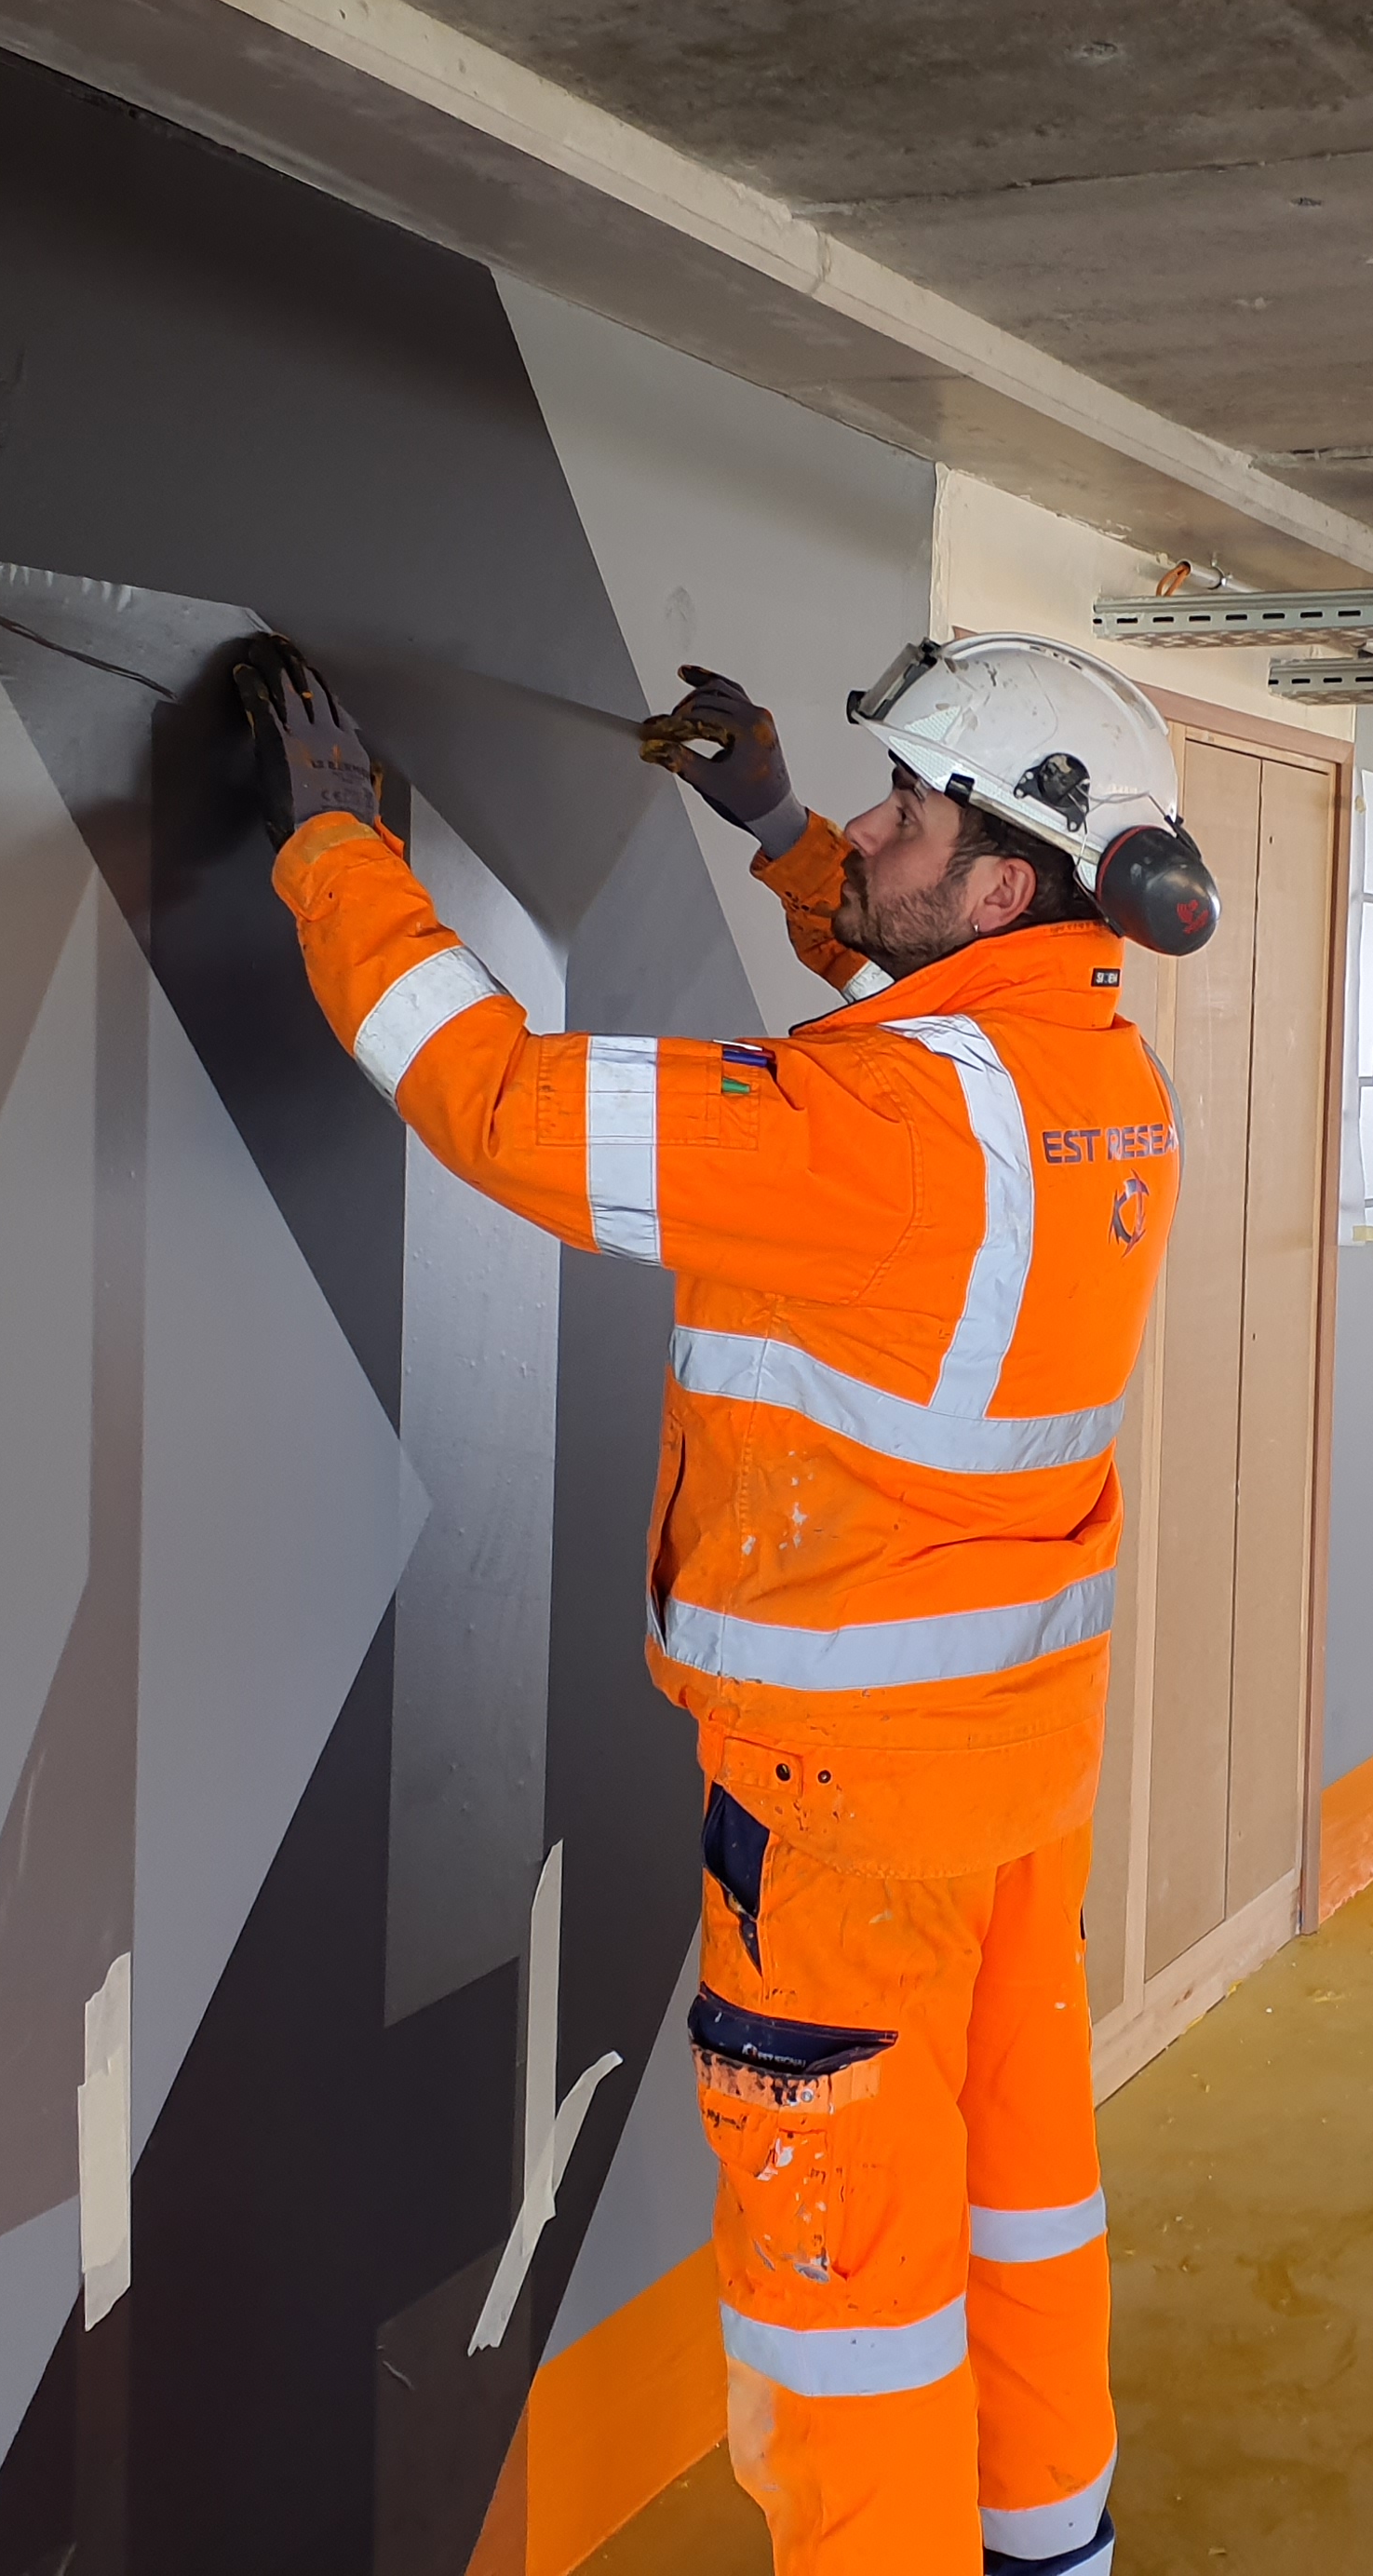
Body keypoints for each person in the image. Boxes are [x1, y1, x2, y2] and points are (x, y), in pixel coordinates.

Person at [242, 632, 1218, 2576]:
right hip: (1013, 1787)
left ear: (1010, 873)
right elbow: (917, 999)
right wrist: (775, 823)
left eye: (906, 811)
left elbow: (504, 1103)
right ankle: (1053, 2547)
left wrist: (335, 854)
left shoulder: (884, 1131)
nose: (873, 826)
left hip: (847, 1817)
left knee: (839, 2306)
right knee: (1016, 2208)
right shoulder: (1094, 1076)